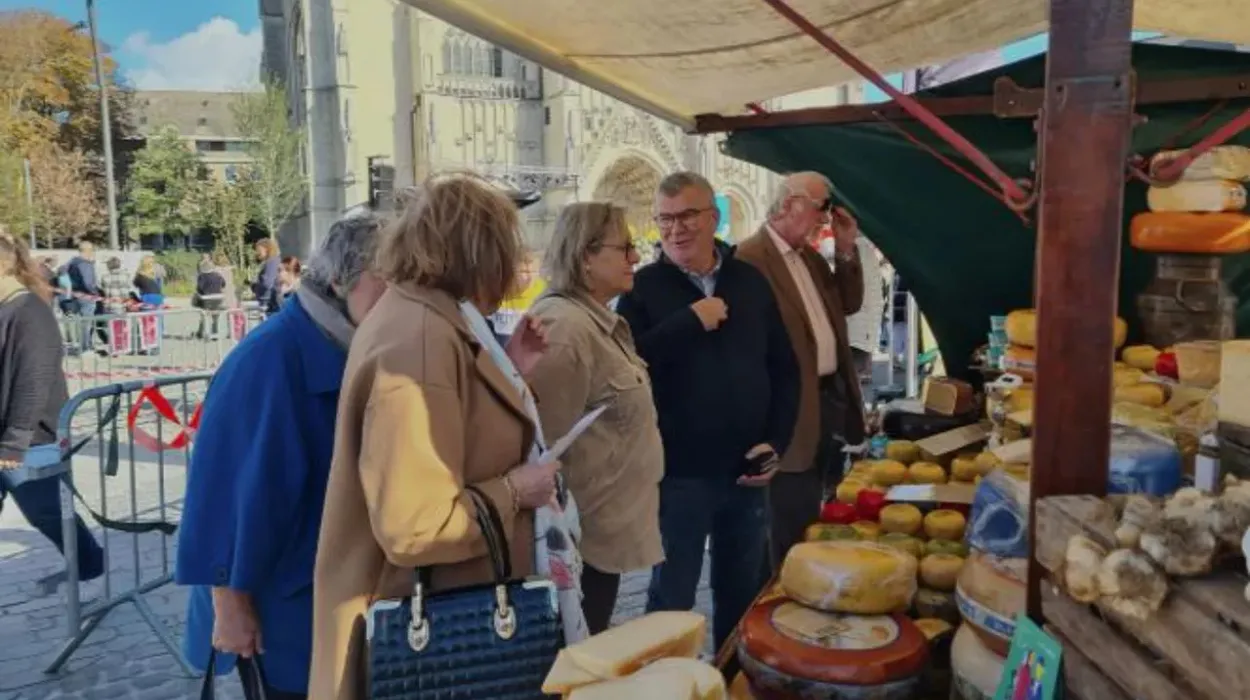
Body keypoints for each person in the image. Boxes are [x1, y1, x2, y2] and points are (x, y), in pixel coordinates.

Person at [310, 175, 562, 700]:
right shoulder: (420, 338)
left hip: (449, 625)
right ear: (479, 251)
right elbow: (416, 527)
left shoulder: (424, 316)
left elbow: (451, 429)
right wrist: (517, 490)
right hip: (441, 641)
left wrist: (508, 370)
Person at [175, 215, 389, 700]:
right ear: (341, 278)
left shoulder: (353, 345)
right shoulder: (269, 359)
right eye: (389, 278)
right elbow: (221, 495)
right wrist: (230, 605)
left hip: (330, 593)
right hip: (281, 611)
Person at [615, 171, 798, 650]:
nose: (675, 229)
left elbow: (785, 368)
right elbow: (626, 367)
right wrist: (689, 322)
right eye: (665, 219)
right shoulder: (642, 288)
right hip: (679, 476)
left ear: (713, 218)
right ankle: (664, 684)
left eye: (687, 216)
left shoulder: (749, 280)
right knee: (671, 599)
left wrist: (776, 442)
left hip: (746, 472)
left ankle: (731, 681)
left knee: (742, 594)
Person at [525, 202, 663, 634]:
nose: (636, 257)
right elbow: (542, 444)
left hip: (601, 537)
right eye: (624, 248)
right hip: (578, 546)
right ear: (586, 256)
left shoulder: (589, 318)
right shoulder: (565, 327)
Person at [736, 172, 867, 574]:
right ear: (791, 203)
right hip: (789, 410)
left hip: (828, 399)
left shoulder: (808, 256)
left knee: (816, 503)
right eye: (821, 206)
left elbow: (847, 302)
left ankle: (805, 580)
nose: (826, 217)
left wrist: (845, 249)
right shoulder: (750, 258)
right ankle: (781, 594)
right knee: (788, 518)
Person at [0, 234, 105, 587]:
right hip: (12, 438)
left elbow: (34, 380)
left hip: (29, 440)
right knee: (47, 513)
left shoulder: (30, 311)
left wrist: (14, 442)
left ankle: (90, 574)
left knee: (47, 513)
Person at [844, 235, 886, 383]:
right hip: (860, 331)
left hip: (858, 330)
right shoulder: (860, 249)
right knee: (854, 383)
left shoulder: (857, 249)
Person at [61, 241, 101, 353]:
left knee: (83, 322)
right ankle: (86, 347)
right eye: (93, 250)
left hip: (76, 294)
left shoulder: (72, 262)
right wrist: (95, 293)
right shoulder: (84, 263)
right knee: (87, 323)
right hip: (87, 296)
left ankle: (85, 345)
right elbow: (88, 282)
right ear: (89, 250)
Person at [193, 258, 228, 340]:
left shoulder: (202, 276)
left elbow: (199, 288)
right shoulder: (218, 275)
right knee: (215, 316)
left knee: (204, 315)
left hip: (206, 299)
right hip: (218, 298)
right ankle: (215, 333)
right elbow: (223, 284)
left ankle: (201, 332)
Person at [251, 238, 282, 315]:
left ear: (267, 249)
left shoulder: (271, 262)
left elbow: (267, 283)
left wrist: (254, 286)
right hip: (271, 301)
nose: (257, 253)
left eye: (259, 250)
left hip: (268, 303)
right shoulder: (274, 261)